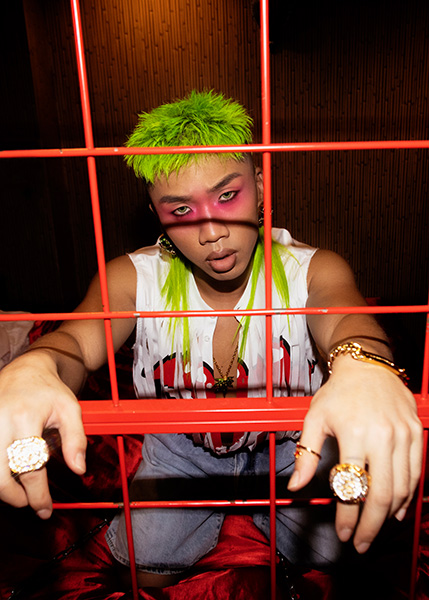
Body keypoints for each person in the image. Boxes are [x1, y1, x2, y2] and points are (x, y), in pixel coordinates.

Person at [0, 91, 422, 590]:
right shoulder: (130, 278)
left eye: (227, 196)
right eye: (182, 209)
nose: (211, 231)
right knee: (145, 570)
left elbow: (349, 321)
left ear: (260, 186)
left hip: (291, 445)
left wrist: (364, 368)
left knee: (335, 554)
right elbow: (77, 339)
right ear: (157, 214)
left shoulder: (313, 269)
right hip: (179, 451)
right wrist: (36, 366)